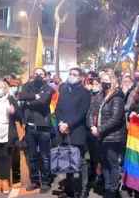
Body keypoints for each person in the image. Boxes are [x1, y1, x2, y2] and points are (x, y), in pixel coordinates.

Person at [87, 71, 126, 198]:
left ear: (113, 81)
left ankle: (112, 190)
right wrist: (91, 126)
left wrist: (100, 129)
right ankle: (107, 186)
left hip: (113, 136)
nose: (104, 83)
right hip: (100, 136)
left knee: (112, 163)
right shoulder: (99, 96)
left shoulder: (117, 96)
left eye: (107, 80)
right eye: (102, 80)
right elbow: (90, 112)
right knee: (104, 162)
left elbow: (116, 118)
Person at [55, 68, 91, 198]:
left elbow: (82, 112)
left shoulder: (85, 93)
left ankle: (83, 190)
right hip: (63, 130)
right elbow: (58, 108)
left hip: (76, 130)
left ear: (81, 78)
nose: (71, 76)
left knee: (80, 161)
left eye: (74, 74)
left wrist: (68, 124)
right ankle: (69, 189)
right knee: (66, 161)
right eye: (70, 74)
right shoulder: (64, 90)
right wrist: (60, 123)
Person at [17, 68, 53, 193]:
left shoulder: (48, 88)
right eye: (36, 73)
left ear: (45, 76)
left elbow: (43, 101)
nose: (38, 76)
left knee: (45, 156)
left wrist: (28, 102)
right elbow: (20, 96)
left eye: (41, 74)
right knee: (32, 156)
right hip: (30, 127)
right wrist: (34, 96)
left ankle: (46, 181)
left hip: (43, 128)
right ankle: (35, 181)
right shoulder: (27, 86)